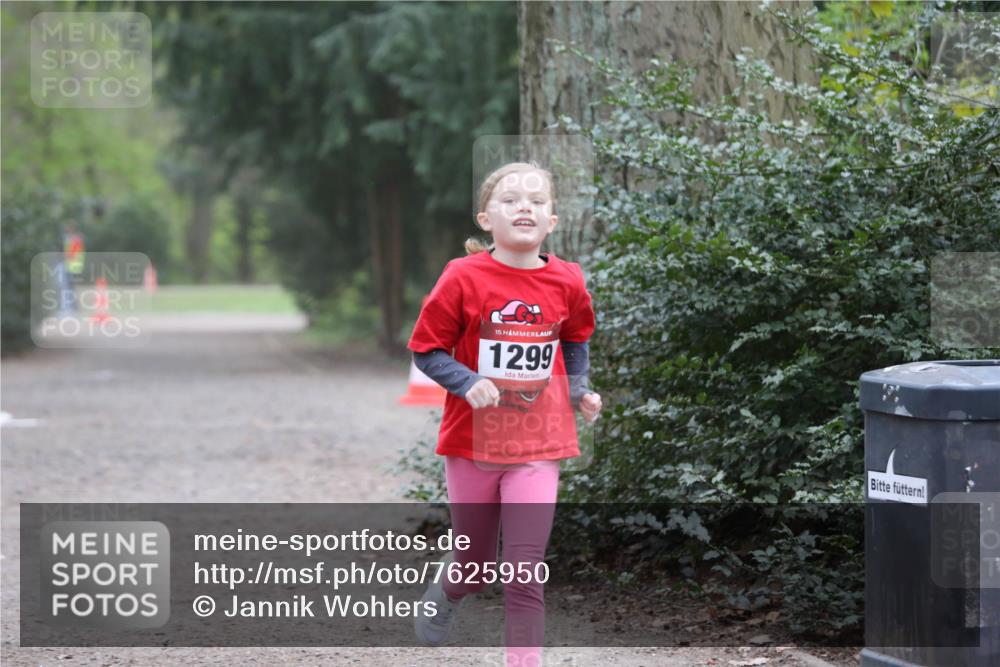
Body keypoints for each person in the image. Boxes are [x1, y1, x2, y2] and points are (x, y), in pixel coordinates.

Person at [408, 161, 602, 666]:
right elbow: (426, 350)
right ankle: (451, 590)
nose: (525, 207)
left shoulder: (567, 281)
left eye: (537, 201)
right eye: (511, 199)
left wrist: (579, 387)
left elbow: (576, 336)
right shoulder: (463, 277)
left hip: (539, 443)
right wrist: (467, 381)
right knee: (473, 565)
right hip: (472, 442)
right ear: (484, 218)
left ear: (552, 222)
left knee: (523, 569)